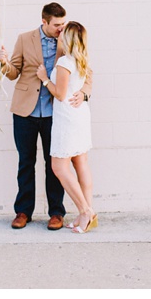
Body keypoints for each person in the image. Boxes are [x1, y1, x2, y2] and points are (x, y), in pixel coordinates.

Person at [0, 3, 92, 230]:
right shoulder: (24, 39)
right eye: (57, 25)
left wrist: (84, 93)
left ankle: (56, 213)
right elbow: (13, 73)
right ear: (45, 22)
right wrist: (3, 63)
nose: (62, 28)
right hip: (25, 111)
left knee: (55, 165)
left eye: (63, 23)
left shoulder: (67, 40)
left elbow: (86, 72)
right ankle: (23, 211)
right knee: (25, 162)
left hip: (56, 114)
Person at [36, 21, 97, 234]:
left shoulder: (64, 62)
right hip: (80, 115)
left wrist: (44, 79)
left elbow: (60, 94)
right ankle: (88, 215)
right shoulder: (81, 59)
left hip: (67, 119)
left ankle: (85, 211)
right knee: (81, 163)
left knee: (59, 167)